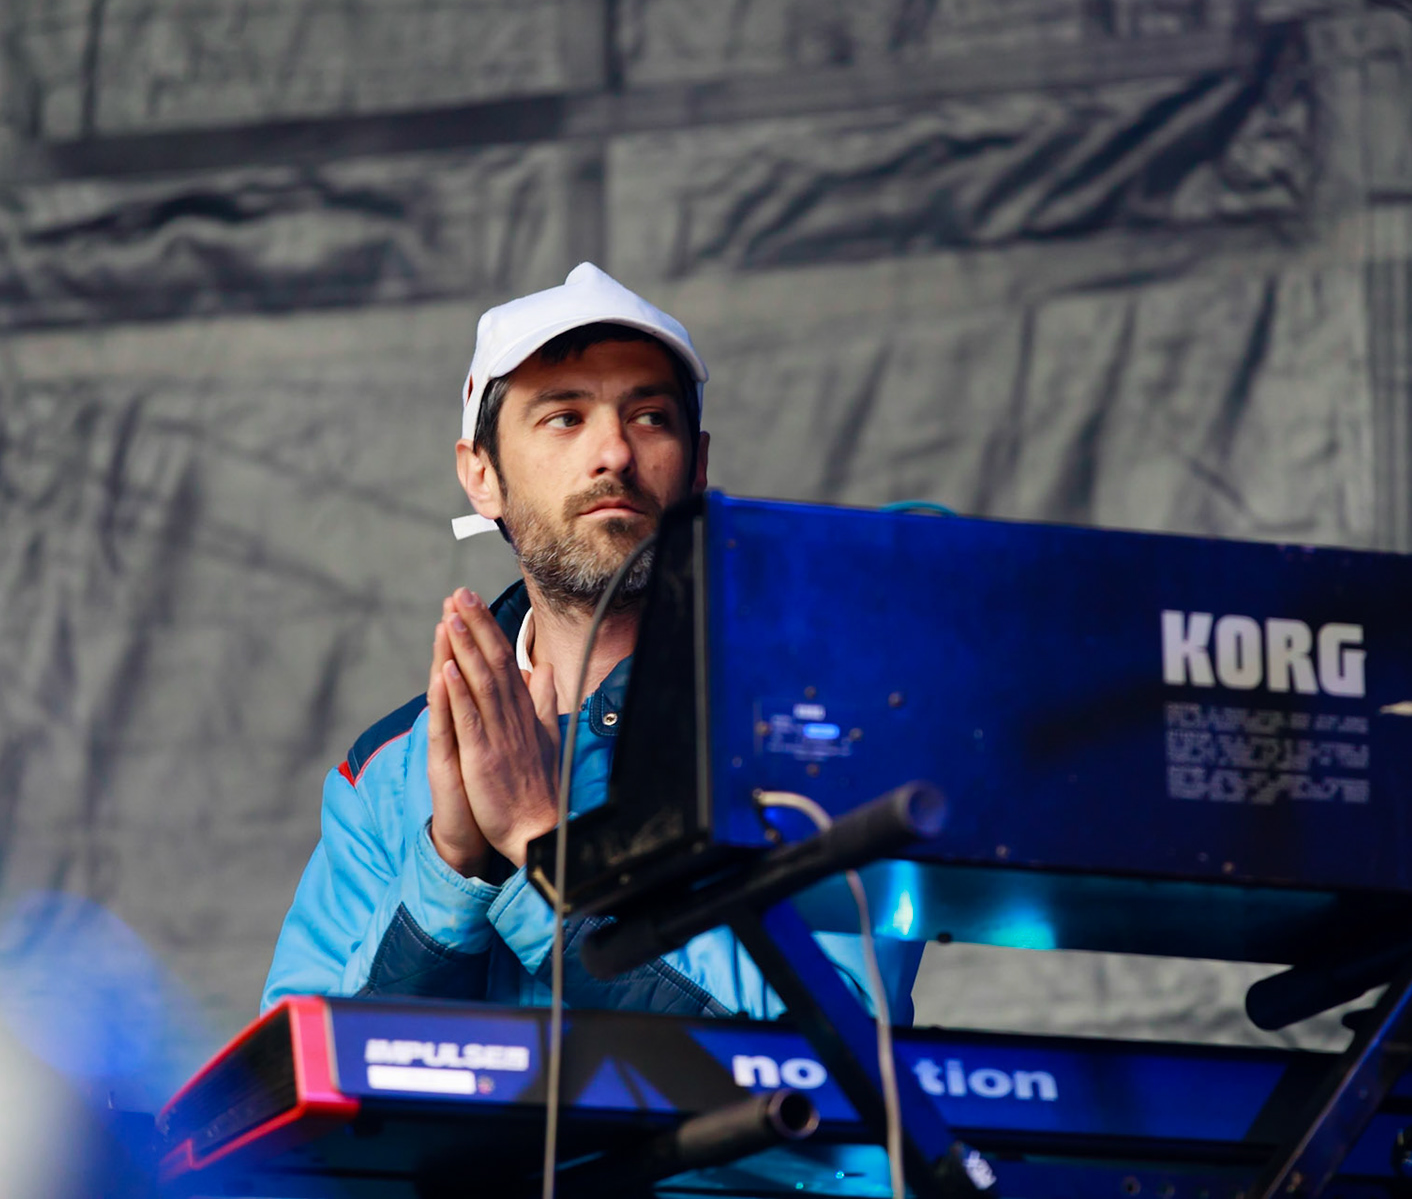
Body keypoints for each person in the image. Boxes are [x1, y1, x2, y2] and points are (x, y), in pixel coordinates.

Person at [262, 262, 920, 1019]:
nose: (614, 453)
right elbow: (304, 1081)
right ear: (481, 475)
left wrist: (544, 846)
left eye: (650, 418)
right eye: (565, 417)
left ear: (699, 467)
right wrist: (452, 864)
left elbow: (842, 1039)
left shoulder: (814, 729)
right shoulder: (384, 772)